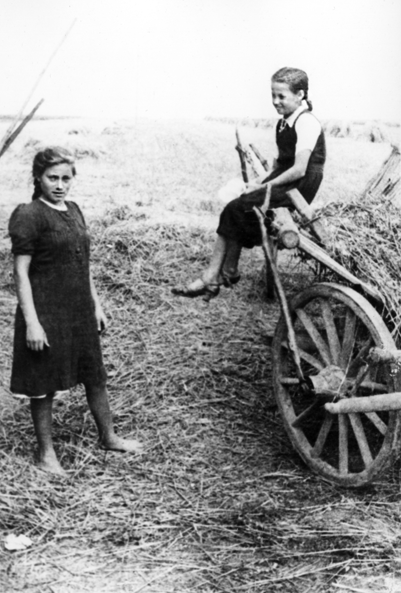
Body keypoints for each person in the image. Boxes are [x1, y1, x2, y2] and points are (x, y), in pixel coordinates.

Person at [8, 147, 142, 475]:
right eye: (52, 177)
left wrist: (95, 305)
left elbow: (84, 265)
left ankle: (108, 437)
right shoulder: (29, 214)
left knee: (95, 375)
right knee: (44, 383)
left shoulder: (75, 209)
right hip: (46, 311)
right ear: (37, 178)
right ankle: (46, 454)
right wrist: (32, 324)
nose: (59, 184)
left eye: (66, 178)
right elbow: (20, 273)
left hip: (79, 309)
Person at [172, 67, 326, 300]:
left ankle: (218, 275)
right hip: (286, 182)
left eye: (281, 96)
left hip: (299, 188)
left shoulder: (306, 122)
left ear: (300, 95)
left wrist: (264, 188)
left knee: (237, 208)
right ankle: (221, 273)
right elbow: (277, 166)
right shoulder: (284, 123)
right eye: (273, 95)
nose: (275, 101)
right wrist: (256, 182)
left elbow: (299, 168)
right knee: (237, 204)